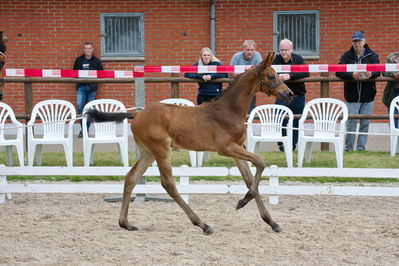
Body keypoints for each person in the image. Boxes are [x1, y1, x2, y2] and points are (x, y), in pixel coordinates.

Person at [336, 31, 380, 151]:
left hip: (368, 95)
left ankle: (361, 148)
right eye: (355, 41)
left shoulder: (372, 55)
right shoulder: (346, 56)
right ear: (352, 42)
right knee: (351, 123)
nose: (357, 44)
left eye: (359, 41)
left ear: (364, 41)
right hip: (352, 96)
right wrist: (351, 75)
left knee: (365, 123)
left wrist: (371, 74)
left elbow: (378, 71)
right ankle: (349, 148)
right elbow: (338, 71)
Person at [272, 38, 309, 152]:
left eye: (286, 50)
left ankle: (292, 145)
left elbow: (306, 72)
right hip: (282, 96)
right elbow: (270, 72)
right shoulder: (276, 59)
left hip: (297, 95)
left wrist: (290, 76)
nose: (283, 52)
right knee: (280, 119)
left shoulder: (298, 59)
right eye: (281, 50)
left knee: (296, 121)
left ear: (291, 50)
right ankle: (282, 145)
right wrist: (279, 76)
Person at [73, 42, 104, 138]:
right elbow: (73, 73)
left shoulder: (96, 61)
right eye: (86, 48)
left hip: (91, 89)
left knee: (89, 109)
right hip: (81, 88)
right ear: (84, 49)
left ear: (92, 49)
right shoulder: (79, 60)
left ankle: (85, 130)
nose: (87, 50)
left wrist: (94, 84)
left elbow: (102, 74)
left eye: (89, 48)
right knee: (80, 106)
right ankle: (83, 129)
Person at [230, 40, 262, 113]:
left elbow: (260, 72)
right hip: (238, 89)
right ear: (243, 49)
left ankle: (248, 124)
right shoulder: (236, 57)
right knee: (236, 111)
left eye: (251, 50)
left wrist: (242, 74)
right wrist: (246, 74)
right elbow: (230, 72)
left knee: (250, 111)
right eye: (247, 50)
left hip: (251, 89)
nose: (249, 52)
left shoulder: (257, 56)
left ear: (254, 50)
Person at [382, 51, 399, 128]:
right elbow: (385, 71)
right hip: (394, 91)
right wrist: (394, 74)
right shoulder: (392, 57)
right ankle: (395, 139)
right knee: (393, 118)